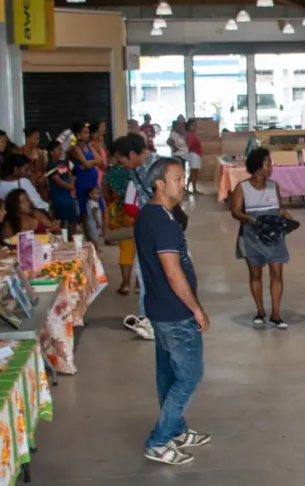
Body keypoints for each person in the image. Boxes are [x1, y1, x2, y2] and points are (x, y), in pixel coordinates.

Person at [135, 156, 211, 466]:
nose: (183, 184)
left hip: (160, 308)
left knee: (168, 372)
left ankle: (177, 428)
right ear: (159, 184)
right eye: (177, 179)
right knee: (190, 375)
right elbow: (172, 271)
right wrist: (196, 309)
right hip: (175, 311)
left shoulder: (150, 216)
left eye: (183, 178)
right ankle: (159, 440)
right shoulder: (164, 223)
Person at [229, 148, 295, 329]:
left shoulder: (274, 186)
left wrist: (290, 221)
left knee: (277, 273)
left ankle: (276, 314)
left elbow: (280, 208)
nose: (271, 167)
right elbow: (235, 211)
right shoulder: (242, 187)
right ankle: (260, 311)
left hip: (274, 235)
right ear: (258, 167)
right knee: (255, 274)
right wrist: (250, 219)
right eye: (268, 163)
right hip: (252, 236)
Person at [106, 134, 154, 340]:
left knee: (152, 273)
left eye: (123, 159)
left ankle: (152, 319)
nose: (121, 163)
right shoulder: (133, 170)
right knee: (143, 272)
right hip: (145, 227)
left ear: (133, 154)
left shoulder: (154, 168)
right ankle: (146, 317)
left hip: (157, 228)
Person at [69, 121, 102, 230]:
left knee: (98, 207)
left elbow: (99, 160)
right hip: (83, 182)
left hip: (93, 181)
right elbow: (87, 164)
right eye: (85, 133)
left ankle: (95, 237)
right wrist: (91, 163)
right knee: (85, 212)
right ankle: (90, 238)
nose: (87, 135)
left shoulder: (89, 146)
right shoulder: (76, 148)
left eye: (88, 133)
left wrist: (90, 163)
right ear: (78, 134)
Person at [46, 142, 79, 232]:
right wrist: (70, 187)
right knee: (61, 220)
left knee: (73, 218)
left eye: (61, 149)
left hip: (67, 195)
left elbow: (70, 174)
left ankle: (71, 238)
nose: (61, 151)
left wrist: (72, 185)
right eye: (58, 149)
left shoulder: (63, 163)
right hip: (58, 196)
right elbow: (57, 180)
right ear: (51, 152)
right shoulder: (50, 165)